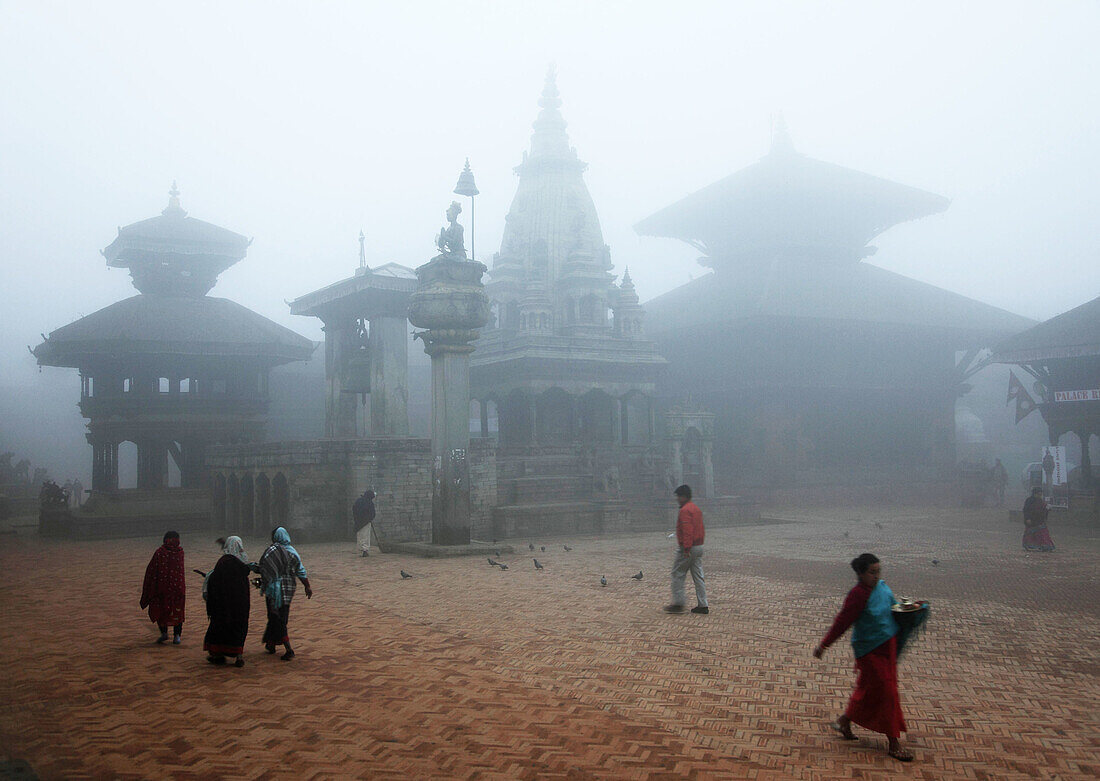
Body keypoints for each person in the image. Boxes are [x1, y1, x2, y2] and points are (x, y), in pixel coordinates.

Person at [813, 553, 912, 762]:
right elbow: (843, 622)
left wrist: (912, 610)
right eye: (871, 572)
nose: (876, 577)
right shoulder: (858, 595)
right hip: (869, 651)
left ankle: (844, 721)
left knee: (870, 691)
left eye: (878, 572)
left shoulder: (882, 588)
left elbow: (894, 609)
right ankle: (894, 743)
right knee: (887, 693)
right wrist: (824, 645)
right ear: (860, 574)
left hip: (888, 647)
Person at [258, 526, 312, 660]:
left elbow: (263, 567)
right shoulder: (293, 552)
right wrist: (307, 586)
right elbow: (301, 571)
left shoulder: (272, 551)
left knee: (276, 617)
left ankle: (288, 649)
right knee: (279, 616)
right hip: (288, 590)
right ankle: (271, 644)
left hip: (274, 590)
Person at [202, 536, 253, 667]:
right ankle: (239, 656)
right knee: (239, 627)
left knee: (220, 627)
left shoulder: (223, 562)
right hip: (240, 603)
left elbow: (215, 582)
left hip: (223, 604)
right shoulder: (243, 562)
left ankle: (217, 654)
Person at [664, 484, 708, 615]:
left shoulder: (685, 511)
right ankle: (703, 604)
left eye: (678, 496)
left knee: (677, 573)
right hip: (699, 546)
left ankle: (678, 603)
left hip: (689, 547)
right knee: (698, 576)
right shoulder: (696, 509)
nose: (677, 499)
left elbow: (688, 531)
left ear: (683, 497)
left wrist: (686, 549)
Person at [140, 531, 186, 645]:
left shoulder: (160, 552)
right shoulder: (180, 552)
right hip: (178, 588)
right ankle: (177, 636)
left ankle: (164, 633)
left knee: (162, 610)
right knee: (177, 612)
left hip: (162, 588)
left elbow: (151, 570)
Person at [1022, 487, 1056, 552]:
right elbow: (1026, 510)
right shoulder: (1029, 500)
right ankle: (1031, 545)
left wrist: (1047, 508)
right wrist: (1027, 518)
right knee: (1031, 534)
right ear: (1034, 494)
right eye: (1038, 494)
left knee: (1043, 534)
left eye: (1040, 494)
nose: (1040, 495)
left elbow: (1043, 509)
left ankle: (1045, 546)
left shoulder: (1040, 501)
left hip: (1040, 520)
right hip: (1032, 520)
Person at [353, 489, 377, 557]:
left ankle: (362, 549)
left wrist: (356, 519)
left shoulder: (358, 501)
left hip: (358, 521)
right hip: (365, 522)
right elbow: (372, 513)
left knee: (360, 536)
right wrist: (369, 518)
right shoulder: (369, 502)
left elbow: (354, 510)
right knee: (365, 536)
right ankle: (365, 550)